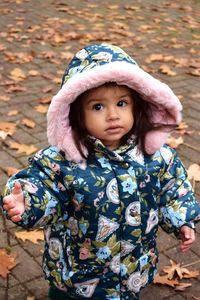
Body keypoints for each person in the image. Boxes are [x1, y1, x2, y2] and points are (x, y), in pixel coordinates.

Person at [1, 43, 200, 300]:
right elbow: (43, 186)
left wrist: (182, 219)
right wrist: (27, 200)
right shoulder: (63, 162)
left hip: (132, 270)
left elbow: (174, 190)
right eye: (97, 107)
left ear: (137, 105)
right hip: (76, 276)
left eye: (121, 103)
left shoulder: (157, 156)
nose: (112, 115)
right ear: (76, 114)